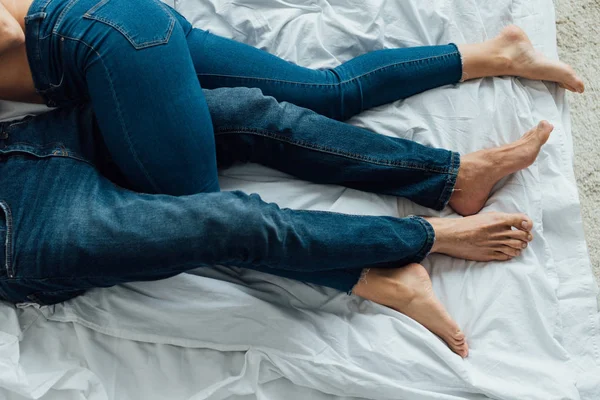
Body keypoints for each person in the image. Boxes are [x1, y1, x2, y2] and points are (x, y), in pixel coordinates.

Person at [0, 0, 583, 357]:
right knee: (314, 95)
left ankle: (374, 274)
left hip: (104, 47)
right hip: (118, 35)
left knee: (207, 213)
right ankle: (491, 67)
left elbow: (6, 34)